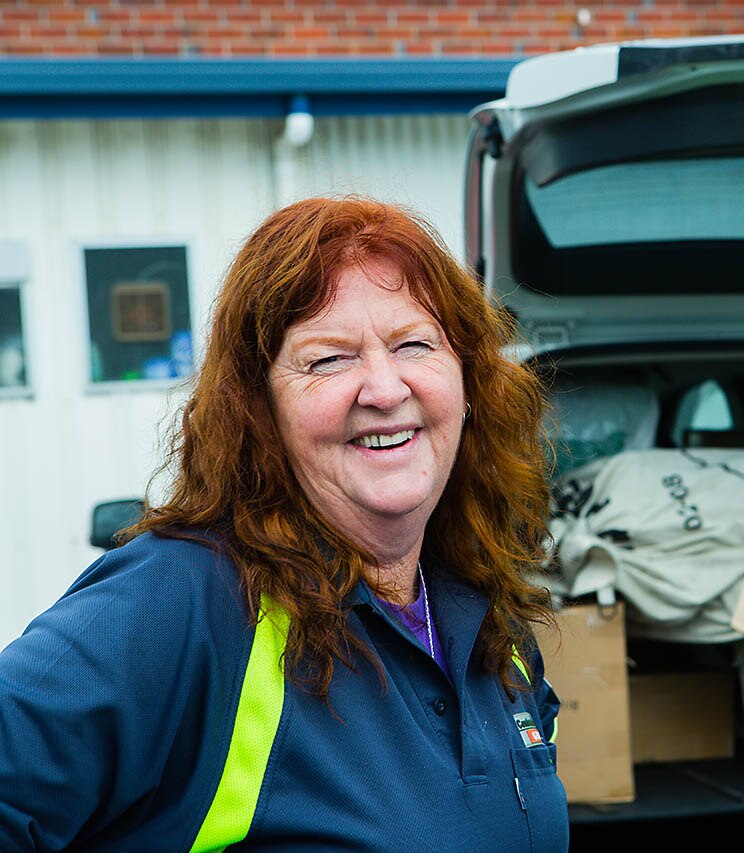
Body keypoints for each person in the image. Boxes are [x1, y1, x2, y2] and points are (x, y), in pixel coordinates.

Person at [0, 198, 569, 850]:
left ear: (469, 385)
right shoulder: (189, 597)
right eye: (328, 358)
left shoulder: (489, 618)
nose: (385, 388)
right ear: (261, 411)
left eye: (414, 344)